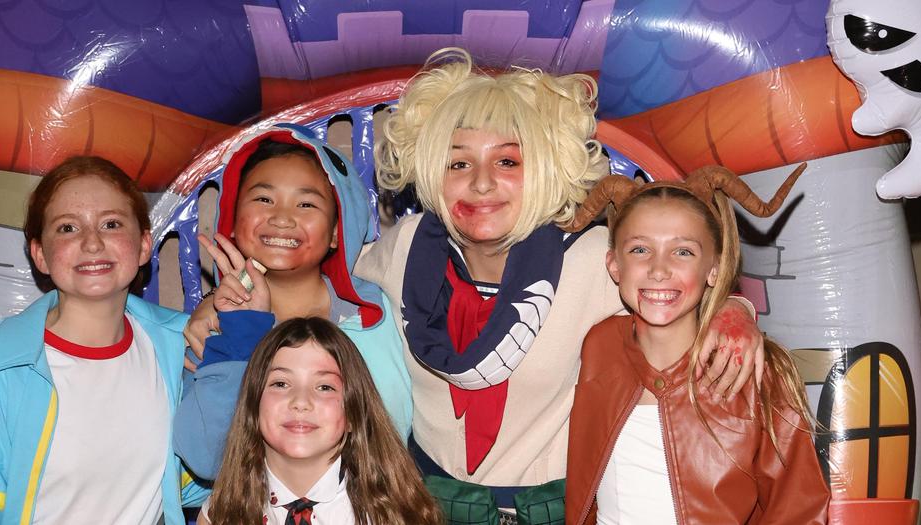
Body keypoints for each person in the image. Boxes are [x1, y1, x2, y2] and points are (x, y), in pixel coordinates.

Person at [352, 48, 765, 521]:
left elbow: (678, 287)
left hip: (546, 510)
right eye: (458, 164)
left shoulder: (590, 258)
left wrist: (735, 313)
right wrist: (250, 282)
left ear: (545, 168)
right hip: (425, 503)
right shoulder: (405, 246)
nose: (481, 184)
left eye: (507, 162)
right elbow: (330, 279)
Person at [0, 156, 208, 524]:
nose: (92, 243)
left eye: (111, 224)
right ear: (40, 255)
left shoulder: (177, 348)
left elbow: (206, 471)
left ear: (144, 245)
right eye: (67, 228)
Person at [563, 165, 830, 523]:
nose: (659, 269)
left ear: (715, 268)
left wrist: (737, 308)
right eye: (640, 249)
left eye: (683, 252)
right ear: (614, 265)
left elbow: (798, 507)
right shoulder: (598, 346)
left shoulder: (756, 371)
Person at [174, 125, 410, 481]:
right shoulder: (214, 328)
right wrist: (239, 334)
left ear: (336, 231)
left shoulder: (378, 314)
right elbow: (206, 458)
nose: (282, 218)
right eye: (263, 199)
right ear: (234, 220)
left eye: (306, 204)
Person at [198, 317, 440, 525]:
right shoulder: (220, 513)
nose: (301, 401)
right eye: (280, 384)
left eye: (324, 387)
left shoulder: (395, 514)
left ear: (354, 413)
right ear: (253, 404)